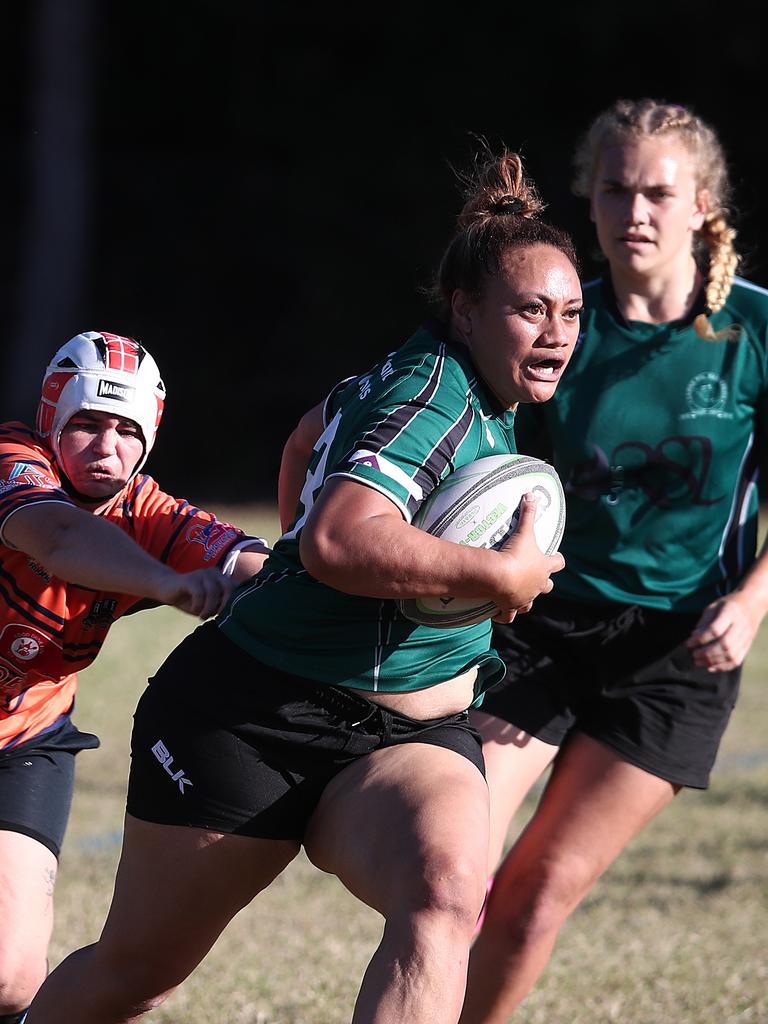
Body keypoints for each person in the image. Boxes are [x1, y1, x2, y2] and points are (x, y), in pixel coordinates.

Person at [25, 151, 582, 1024]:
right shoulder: (431, 402)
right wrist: (494, 573)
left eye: (570, 313)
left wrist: (305, 577)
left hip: (409, 735)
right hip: (254, 717)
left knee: (443, 899)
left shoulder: (435, 377)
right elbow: (335, 539)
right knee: (136, 972)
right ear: (467, 311)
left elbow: (301, 442)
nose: (556, 333)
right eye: (531, 311)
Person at [460, 98, 768, 1023]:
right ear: (588, 205)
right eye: (616, 190)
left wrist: (752, 601)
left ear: (703, 205)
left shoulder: (752, 331)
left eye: (658, 193)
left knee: (536, 894)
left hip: (672, 660)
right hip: (537, 627)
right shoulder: (559, 321)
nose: (636, 210)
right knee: (451, 859)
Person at [0, 330, 269, 1024]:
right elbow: (59, 539)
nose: (105, 446)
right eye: (86, 424)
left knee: (9, 977)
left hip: (25, 737)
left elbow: (246, 563)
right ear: (51, 421)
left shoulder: (150, 515)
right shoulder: (12, 463)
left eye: (126, 430)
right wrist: (164, 583)